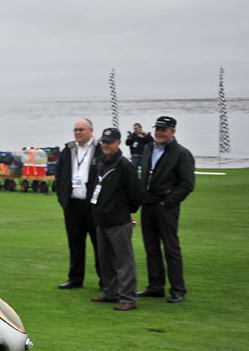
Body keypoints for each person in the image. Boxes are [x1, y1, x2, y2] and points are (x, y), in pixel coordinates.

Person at [138, 116, 195, 303]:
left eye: (164, 130)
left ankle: (178, 289)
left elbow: (187, 185)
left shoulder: (181, 153)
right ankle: (155, 287)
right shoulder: (148, 148)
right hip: (148, 205)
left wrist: (168, 202)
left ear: (173, 132)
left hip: (166, 207)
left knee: (171, 249)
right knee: (151, 248)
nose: (160, 133)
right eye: (158, 129)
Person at [89, 128, 143, 311]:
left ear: (119, 143)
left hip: (119, 222)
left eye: (110, 142)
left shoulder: (124, 165)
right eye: (104, 141)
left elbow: (135, 194)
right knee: (105, 261)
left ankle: (128, 298)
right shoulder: (100, 162)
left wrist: (124, 211)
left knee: (123, 261)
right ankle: (110, 293)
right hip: (102, 220)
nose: (106, 145)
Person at [55, 118, 102, 289]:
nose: (77, 132)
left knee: (99, 244)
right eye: (75, 129)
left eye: (81, 129)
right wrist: (62, 197)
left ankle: (105, 281)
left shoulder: (100, 149)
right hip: (73, 204)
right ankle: (75, 279)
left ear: (91, 130)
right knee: (75, 243)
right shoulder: (68, 149)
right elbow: (59, 174)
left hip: (94, 205)